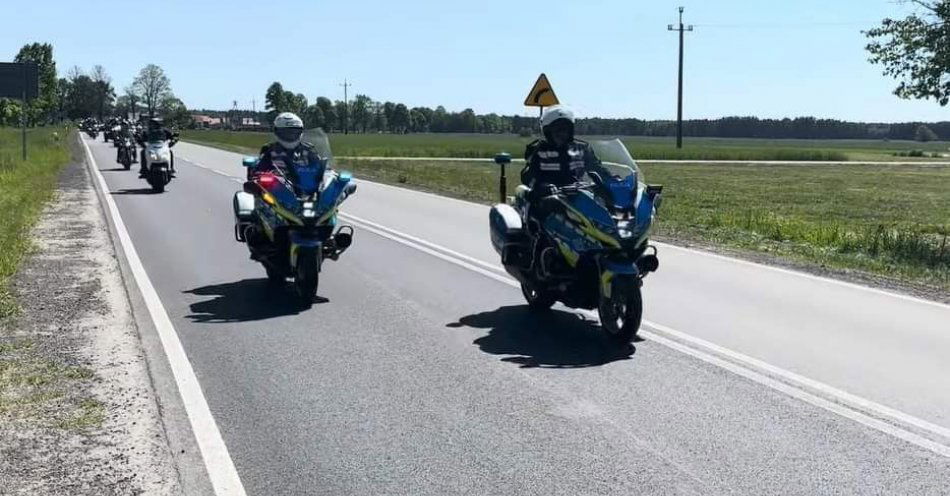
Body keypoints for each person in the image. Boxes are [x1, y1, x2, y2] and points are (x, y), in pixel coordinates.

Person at [520, 105, 612, 221]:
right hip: (549, 197)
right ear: (548, 131)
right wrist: (541, 186)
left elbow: (597, 168)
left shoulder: (581, 148)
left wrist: (612, 180)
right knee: (543, 210)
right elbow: (528, 175)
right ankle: (537, 237)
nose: (562, 133)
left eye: (565, 129)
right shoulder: (539, 150)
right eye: (557, 130)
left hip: (577, 195)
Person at [248, 112, 325, 185]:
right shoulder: (270, 150)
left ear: (301, 132)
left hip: (305, 188)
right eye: (286, 132)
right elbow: (259, 170)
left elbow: (319, 167)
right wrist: (262, 175)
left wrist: (325, 172)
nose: (290, 135)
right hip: (277, 190)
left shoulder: (308, 149)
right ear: (276, 132)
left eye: (294, 132)